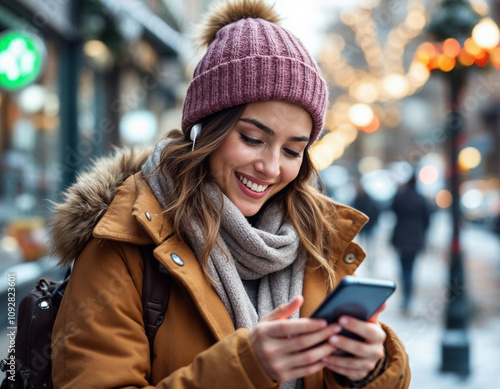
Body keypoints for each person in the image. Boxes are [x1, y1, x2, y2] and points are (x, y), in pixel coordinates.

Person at [50, 1, 410, 388]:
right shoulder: (124, 240)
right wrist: (245, 368)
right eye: (253, 138)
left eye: (292, 150)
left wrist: (369, 370)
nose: (271, 168)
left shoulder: (318, 242)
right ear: (205, 130)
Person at [390, 173, 431, 313]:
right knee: (411, 270)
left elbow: (392, 209)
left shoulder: (401, 196)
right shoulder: (421, 198)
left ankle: (405, 297)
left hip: (401, 238)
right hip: (415, 239)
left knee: (403, 269)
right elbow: (427, 220)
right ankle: (408, 298)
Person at [352, 184, 380, 273]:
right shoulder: (357, 199)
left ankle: (370, 261)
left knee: (369, 245)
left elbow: (375, 211)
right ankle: (365, 260)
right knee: (364, 245)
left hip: (368, 226)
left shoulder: (368, 199)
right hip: (363, 227)